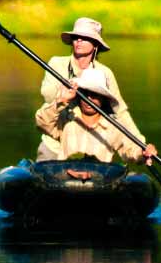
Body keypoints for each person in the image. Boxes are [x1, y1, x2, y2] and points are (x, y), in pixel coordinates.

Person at [37, 17, 145, 161]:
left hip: (92, 143)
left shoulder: (104, 73)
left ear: (95, 45)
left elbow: (120, 112)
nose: (79, 40)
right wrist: (69, 92)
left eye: (85, 38)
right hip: (56, 140)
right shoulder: (57, 63)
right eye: (76, 37)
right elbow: (48, 96)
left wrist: (141, 147)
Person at [35, 68, 158, 173]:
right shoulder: (67, 118)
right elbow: (42, 122)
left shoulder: (114, 126)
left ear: (103, 99)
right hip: (65, 180)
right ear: (79, 94)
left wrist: (143, 153)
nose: (89, 99)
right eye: (85, 93)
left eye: (95, 95)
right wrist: (61, 101)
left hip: (100, 184)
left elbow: (130, 150)